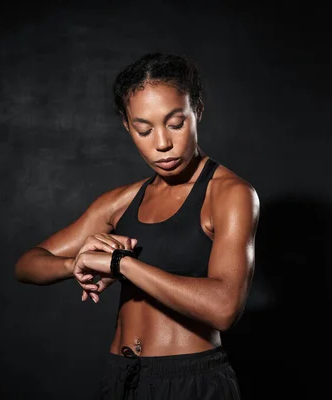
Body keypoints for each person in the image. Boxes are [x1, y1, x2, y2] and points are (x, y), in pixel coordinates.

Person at [15, 53, 259, 399]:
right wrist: (76, 264)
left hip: (190, 381)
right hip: (121, 378)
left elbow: (224, 308)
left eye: (176, 123)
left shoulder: (229, 194)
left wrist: (121, 264)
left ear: (197, 111)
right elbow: (26, 265)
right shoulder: (122, 200)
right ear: (127, 125)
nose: (162, 143)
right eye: (144, 129)